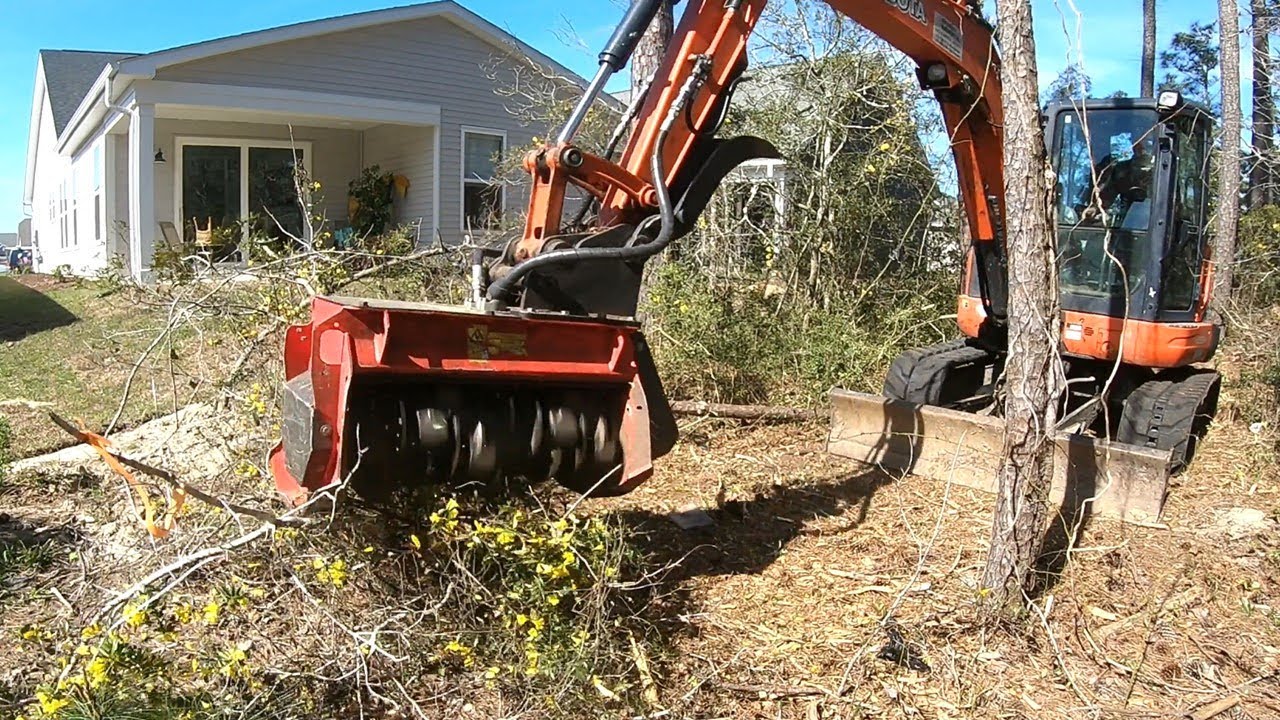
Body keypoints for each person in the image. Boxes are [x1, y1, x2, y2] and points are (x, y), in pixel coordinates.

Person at [1074, 134, 1155, 226]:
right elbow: (1106, 194)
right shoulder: (1122, 170)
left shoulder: (1163, 172)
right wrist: (1095, 208)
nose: (1144, 151)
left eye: (1150, 145)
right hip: (1125, 225)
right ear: (1135, 146)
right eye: (1141, 145)